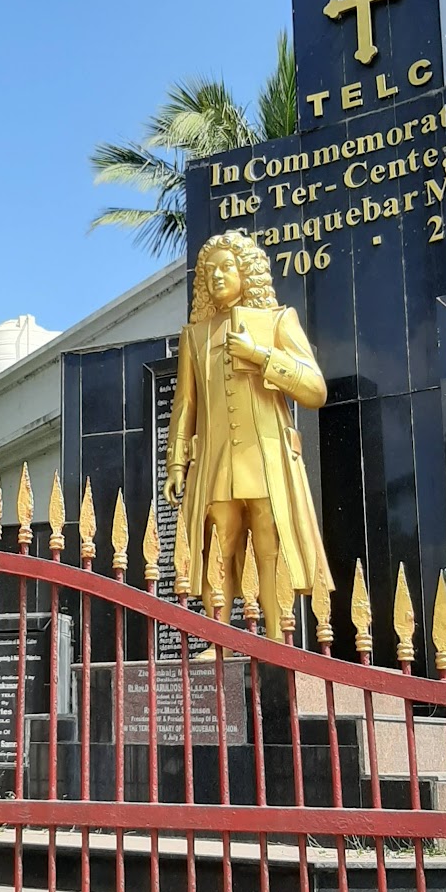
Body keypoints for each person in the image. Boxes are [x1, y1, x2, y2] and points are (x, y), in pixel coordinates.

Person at [163, 231, 331, 641]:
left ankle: (276, 639)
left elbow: (315, 390)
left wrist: (261, 356)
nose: (217, 276)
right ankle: (219, 639)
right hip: (216, 461)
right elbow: (185, 405)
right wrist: (176, 463)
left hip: (267, 458)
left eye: (226, 267)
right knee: (217, 545)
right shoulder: (195, 336)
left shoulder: (277, 321)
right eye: (209, 271)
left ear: (246, 272)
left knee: (270, 545)